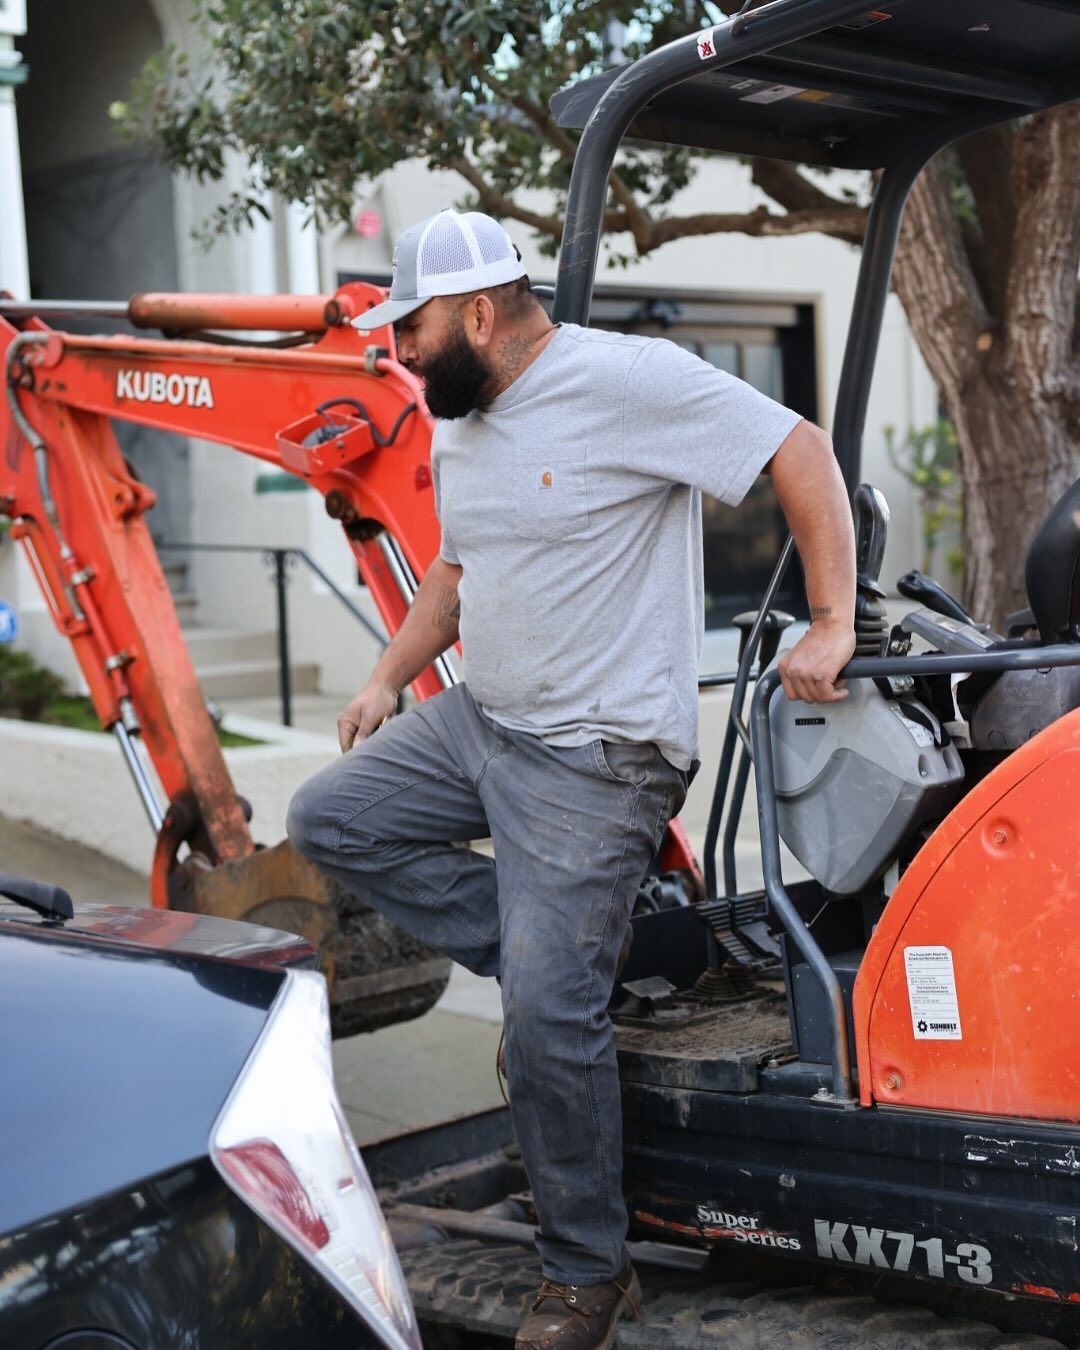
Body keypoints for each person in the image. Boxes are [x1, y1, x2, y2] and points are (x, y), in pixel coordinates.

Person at [287, 208, 856, 1350]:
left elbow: (798, 446)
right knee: (329, 816)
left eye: (417, 326)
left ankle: (589, 1274)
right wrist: (386, 678)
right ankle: (578, 950)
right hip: (482, 724)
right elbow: (456, 566)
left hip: (598, 760)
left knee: (545, 1019)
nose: (402, 348)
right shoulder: (462, 416)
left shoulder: (631, 382)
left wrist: (831, 621)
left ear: (481, 312)